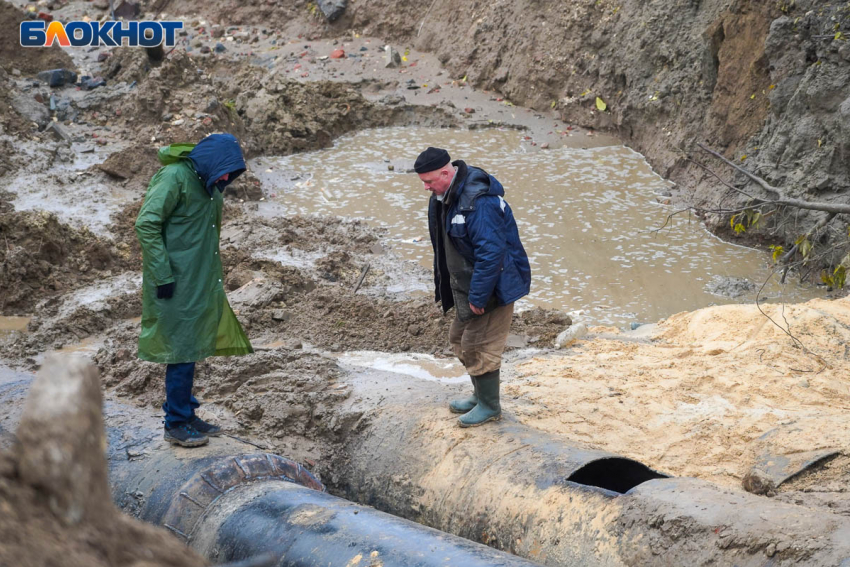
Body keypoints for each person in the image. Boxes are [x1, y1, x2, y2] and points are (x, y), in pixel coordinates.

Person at [135, 133, 253, 447]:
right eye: (224, 169)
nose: (227, 177)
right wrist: (162, 274)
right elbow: (146, 223)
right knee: (181, 350)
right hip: (173, 280)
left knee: (194, 345)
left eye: (232, 172)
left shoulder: (211, 184)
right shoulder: (174, 176)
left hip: (200, 279)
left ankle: (187, 414)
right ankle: (174, 423)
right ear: (209, 161)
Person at [417, 147, 531, 427]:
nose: (426, 188)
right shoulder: (445, 197)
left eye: (429, 181)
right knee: (459, 339)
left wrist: (479, 295)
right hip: (470, 286)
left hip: (494, 287)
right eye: (423, 182)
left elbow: (491, 254)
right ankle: (481, 396)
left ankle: (490, 407)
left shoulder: (478, 203)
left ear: (446, 172)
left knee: (478, 345)